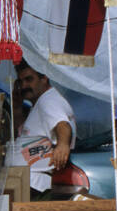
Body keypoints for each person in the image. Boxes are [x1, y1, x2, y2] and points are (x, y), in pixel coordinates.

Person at [13, 61, 76, 196]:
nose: (24, 86)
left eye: (29, 79)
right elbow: (24, 135)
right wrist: (17, 109)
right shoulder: (40, 103)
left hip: (35, 185)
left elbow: (62, 125)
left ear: (44, 78)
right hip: (26, 182)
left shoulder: (48, 101)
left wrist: (62, 145)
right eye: (20, 82)